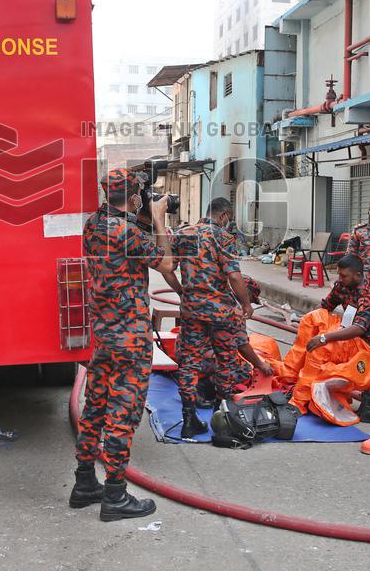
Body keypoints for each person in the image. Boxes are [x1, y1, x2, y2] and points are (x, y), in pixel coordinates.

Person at [71, 168, 182, 521]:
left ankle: (85, 482)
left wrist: (144, 215)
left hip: (103, 335)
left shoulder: (93, 225)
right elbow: (167, 263)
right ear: (134, 197)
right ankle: (115, 495)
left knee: (96, 407)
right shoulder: (128, 232)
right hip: (130, 338)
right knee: (123, 413)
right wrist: (161, 219)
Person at [171, 198, 269, 439]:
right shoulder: (223, 237)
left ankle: (188, 419)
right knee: (226, 361)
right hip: (220, 313)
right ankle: (222, 416)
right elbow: (234, 276)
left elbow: (166, 267)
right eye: (230, 217)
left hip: (192, 310)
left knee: (189, 363)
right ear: (224, 215)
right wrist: (246, 304)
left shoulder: (184, 234)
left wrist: (181, 291)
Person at [307, 254, 370, 424]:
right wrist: (309, 322)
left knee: (323, 349)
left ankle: (326, 393)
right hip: (348, 335)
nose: (340, 279)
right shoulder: (342, 286)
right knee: (312, 345)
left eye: (344, 276)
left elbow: (359, 329)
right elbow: (324, 307)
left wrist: (323, 338)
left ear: (358, 275)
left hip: (368, 343)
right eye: (339, 275)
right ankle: (310, 392)